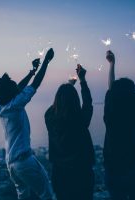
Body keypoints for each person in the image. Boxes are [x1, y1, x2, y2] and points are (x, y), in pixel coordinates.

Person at [0, 48, 55, 200]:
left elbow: (17, 89)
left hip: (11, 164)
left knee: (23, 196)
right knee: (47, 194)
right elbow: (35, 85)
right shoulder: (16, 104)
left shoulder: (1, 108)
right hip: (24, 161)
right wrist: (46, 61)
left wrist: (32, 71)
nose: (16, 88)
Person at [103, 42, 135, 200]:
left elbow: (111, 89)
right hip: (134, 167)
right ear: (133, 93)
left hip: (113, 170)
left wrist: (112, 64)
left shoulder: (111, 111)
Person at [45, 64, 95, 200]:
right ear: (75, 100)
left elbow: (56, 106)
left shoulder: (49, 118)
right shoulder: (80, 120)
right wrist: (82, 81)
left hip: (60, 176)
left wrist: (69, 86)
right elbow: (88, 104)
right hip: (82, 175)